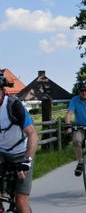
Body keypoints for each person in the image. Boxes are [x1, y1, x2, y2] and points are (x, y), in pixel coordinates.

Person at [0, 72, 38, 213]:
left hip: (21, 153)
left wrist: (27, 160)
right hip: (2, 153)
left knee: (21, 199)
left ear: (3, 91)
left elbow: (32, 134)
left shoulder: (13, 105)